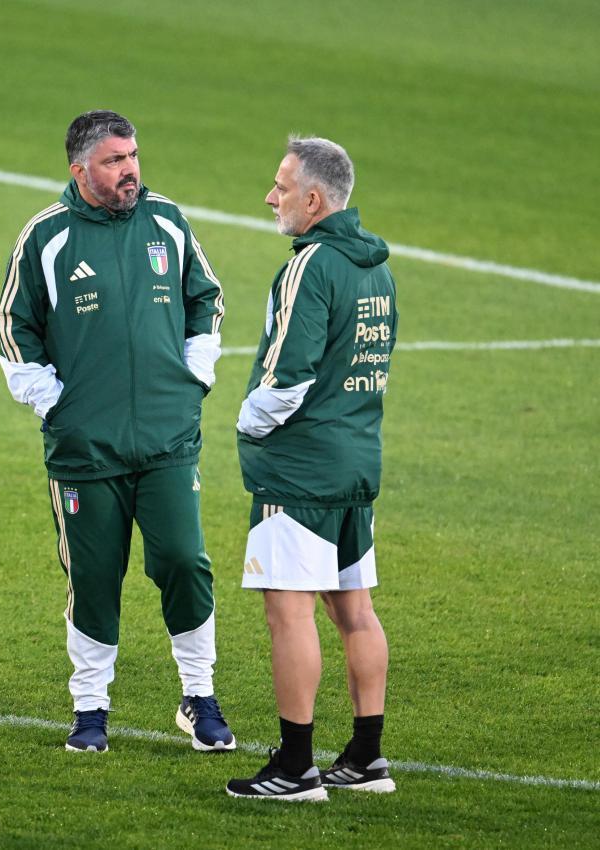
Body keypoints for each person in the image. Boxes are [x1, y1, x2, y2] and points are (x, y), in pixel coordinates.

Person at [0, 110, 233, 753]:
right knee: (95, 579)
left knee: (186, 562)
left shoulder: (167, 221)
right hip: (86, 450)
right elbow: (14, 328)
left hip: (167, 439)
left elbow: (205, 298)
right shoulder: (45, 237)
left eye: (132, 156)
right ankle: (91, 708)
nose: (130, 169)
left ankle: (199, 696)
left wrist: (193, 378)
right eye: (114, 160)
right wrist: (56, 405)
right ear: (80, 170)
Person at [225, 136, 398, 802]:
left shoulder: (311, 265)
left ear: (314, 199)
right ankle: (365, 758)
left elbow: (287, 377)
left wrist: (246, 423)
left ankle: (296, 767)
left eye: (281, 187)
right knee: (355, 610)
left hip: (299, 470)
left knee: (288, 612)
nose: (272, 198)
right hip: (356, 459)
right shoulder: (376, 266)